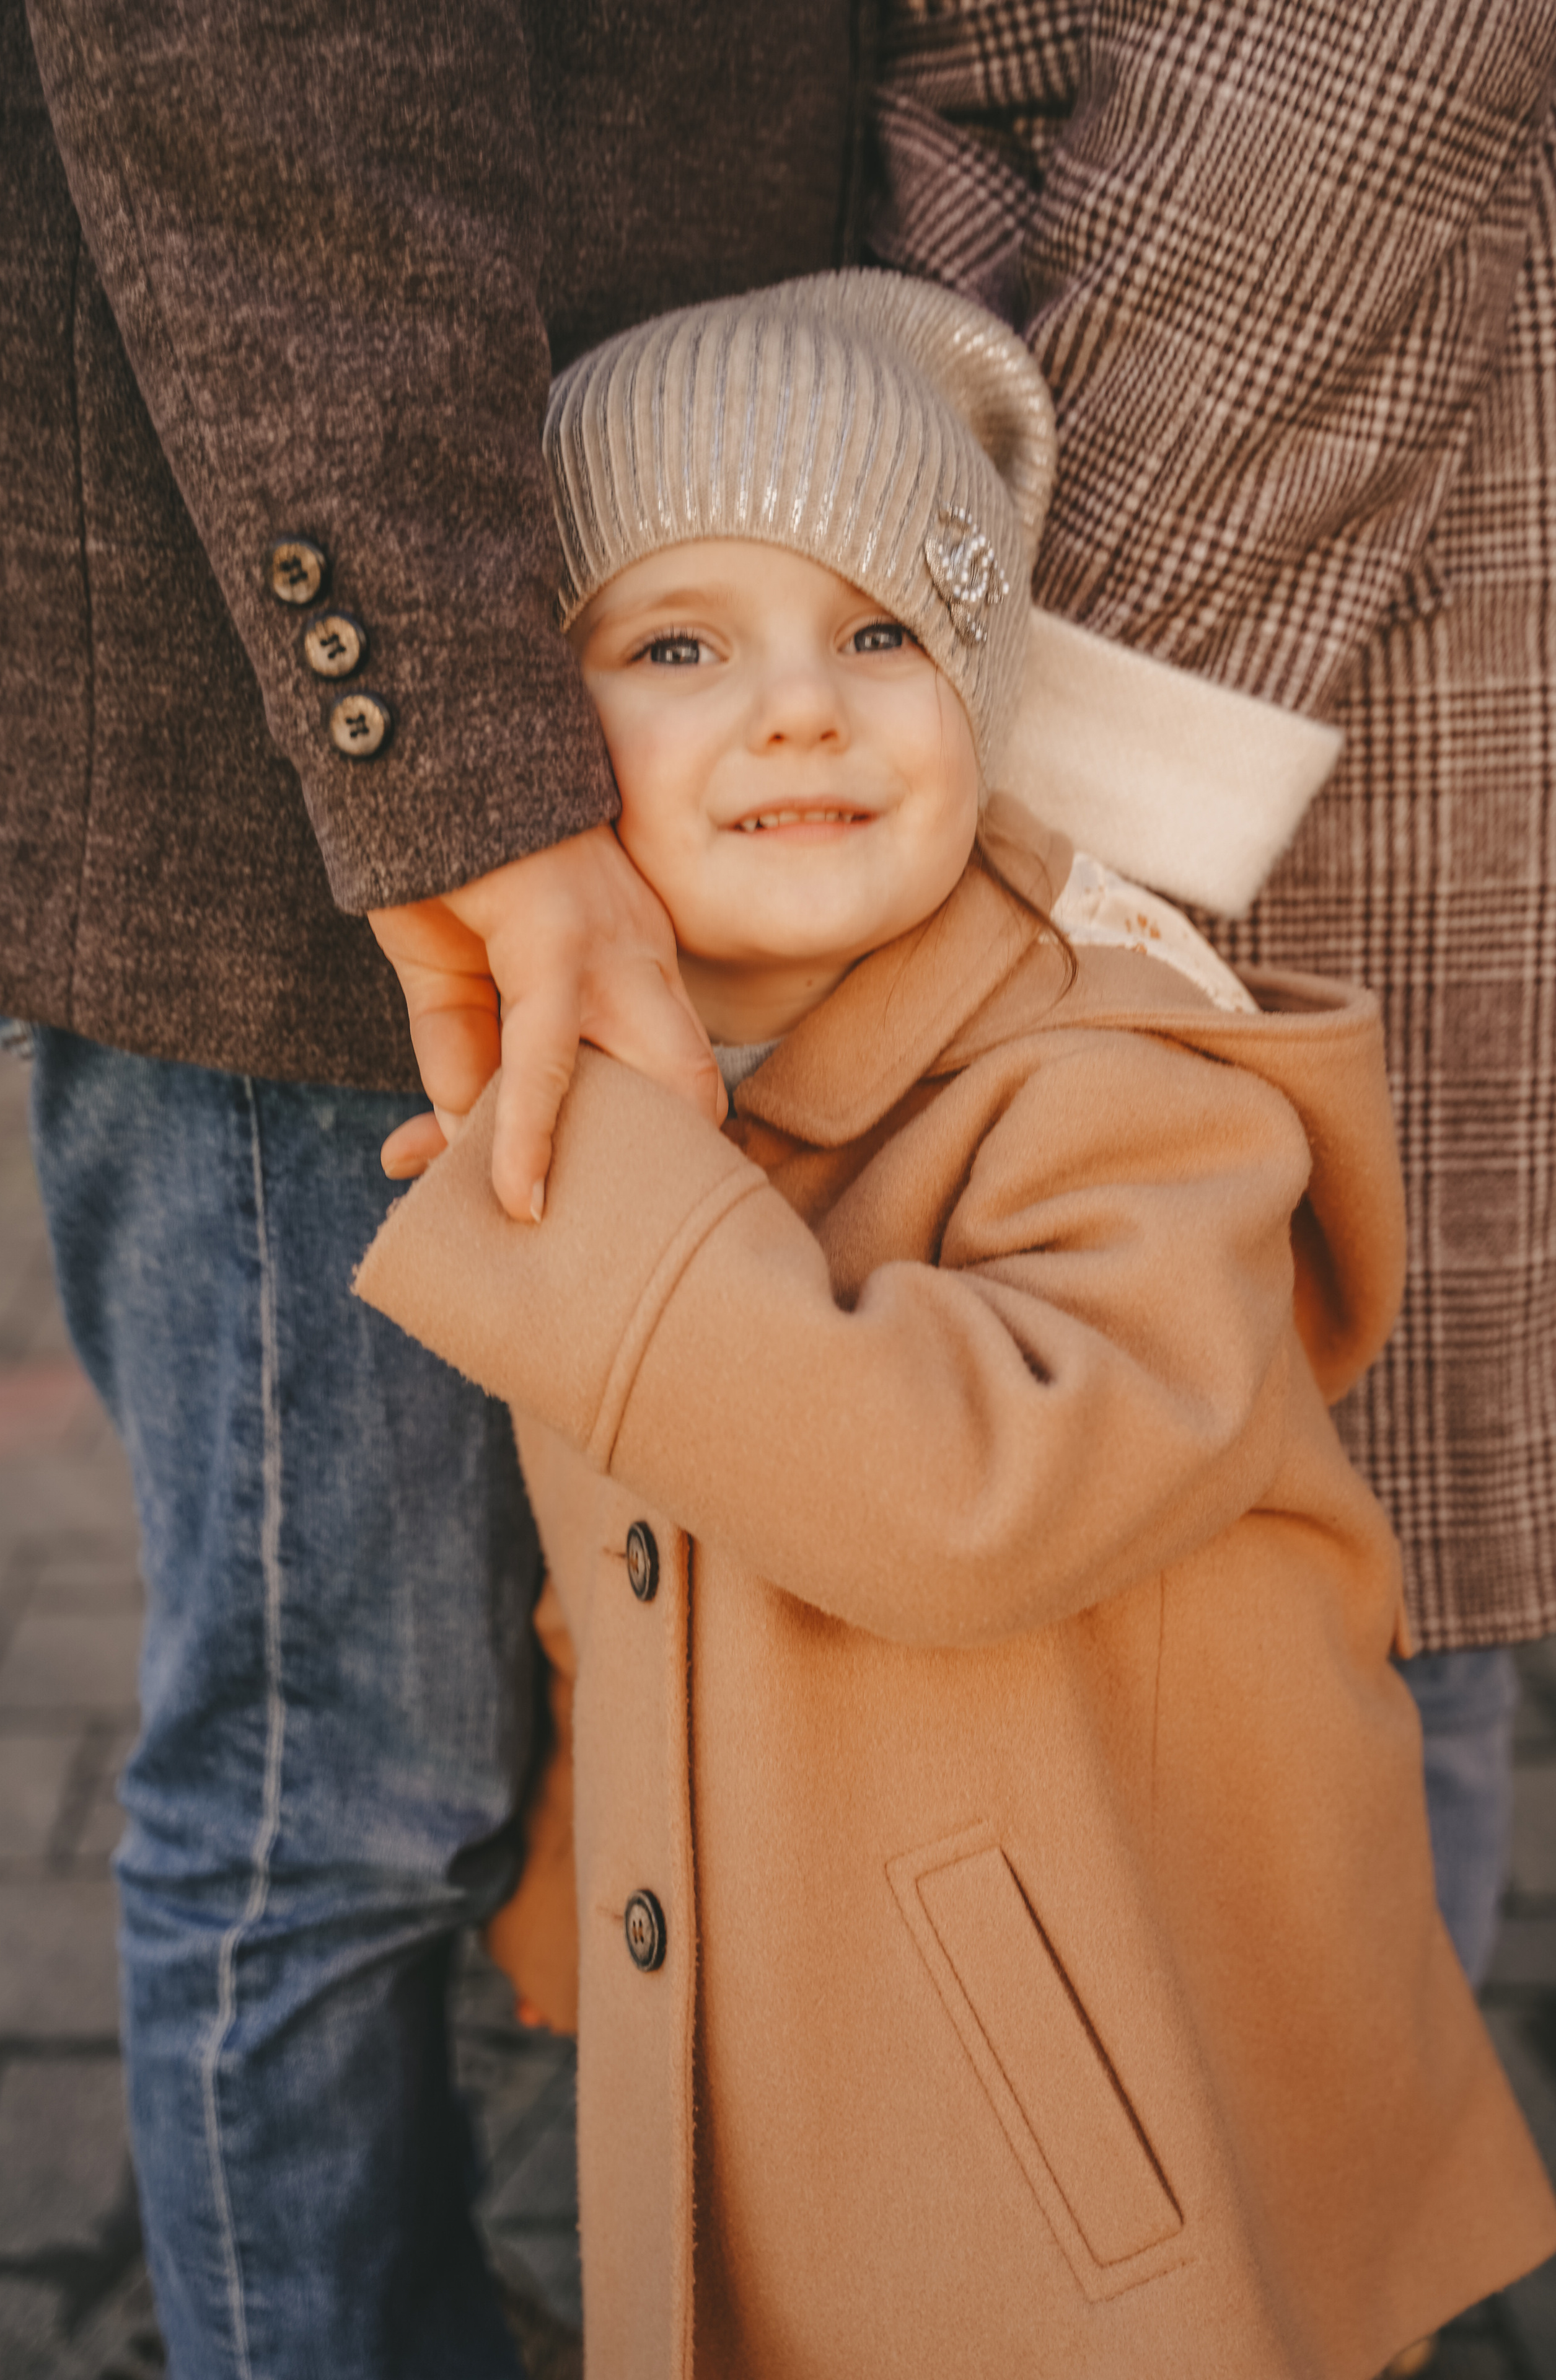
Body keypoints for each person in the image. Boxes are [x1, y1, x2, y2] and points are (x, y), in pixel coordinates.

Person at [357, 273, 1556, 2380]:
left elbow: (967, 1498)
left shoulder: (1135, 1094)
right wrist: (582, 1855)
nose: (803, 710)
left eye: (885, 634)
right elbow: (623, 1569)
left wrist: (602, 1201)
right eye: (679, 644)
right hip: (807, 2062)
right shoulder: (655, 1101)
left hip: (1113, 2159)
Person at [0, 4, 864, 2372]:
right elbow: (255, 68)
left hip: (612, 785)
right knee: (346, 1786)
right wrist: (459, 775)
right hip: (328, 852)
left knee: (505, 1742)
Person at [863, 0, 1556, 1993]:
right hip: (1182, 544)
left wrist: (1012, 788)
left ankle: (1334, 2181)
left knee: (1324, 1567)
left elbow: (1347, 81)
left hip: (1240, 617)